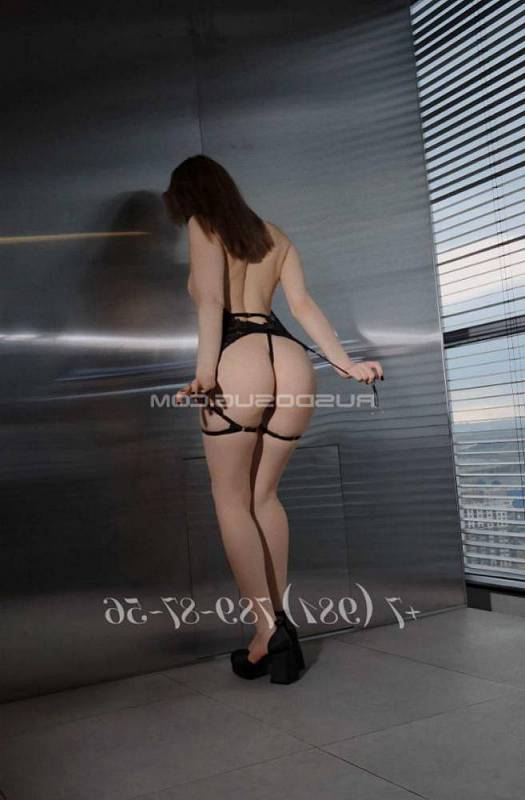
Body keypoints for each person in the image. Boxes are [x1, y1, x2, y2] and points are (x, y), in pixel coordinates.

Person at [163, 154, 383, 684]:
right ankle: (280, 623)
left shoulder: (202, 224)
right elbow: (302, 305)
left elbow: (211, 301)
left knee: (231, 500)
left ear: (188, 194)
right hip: (290, 360)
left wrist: (206, 373)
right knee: (264, 497)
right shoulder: (274, 235)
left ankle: (265, 631)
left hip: (238, 359)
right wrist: (346, 365)